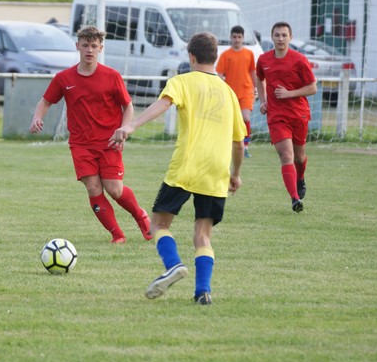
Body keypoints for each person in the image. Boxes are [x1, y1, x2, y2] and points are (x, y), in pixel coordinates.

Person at [111, 32, 245, 305]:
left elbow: (163, 104)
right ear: (215, 57)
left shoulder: (182, 81)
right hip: (216, 172)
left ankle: (173, 265)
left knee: (159, 223)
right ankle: (202, 292)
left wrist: (131, 125)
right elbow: (239, 143)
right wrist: (235, 174)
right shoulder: (229, 92)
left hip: (187, 166)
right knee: (203, 235)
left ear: (191, 56)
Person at [29, 26, 151, 244]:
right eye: (85, 45)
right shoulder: (63, 78)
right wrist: (37, 117)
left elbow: (128, 106)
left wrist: (123, 129)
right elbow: (45, 101)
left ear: (100, 48)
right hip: (81, 144)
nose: (89, 50)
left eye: (94, 46)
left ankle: (141, 217)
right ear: (77, 46)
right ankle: (117, 235)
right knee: (94, 188)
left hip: (109, 142)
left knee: (114, 189)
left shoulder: (111, 76)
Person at [255, 21, 317, 213]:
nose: (280, 38)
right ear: (272, 37)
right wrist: (263, 101)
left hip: (298, 114)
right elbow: (259, 78)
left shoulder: (299, 60)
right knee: (286, 155)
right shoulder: (263, 60)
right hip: (276, 116)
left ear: (290, 37)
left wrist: (290, 93)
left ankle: (300, 178)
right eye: (277, 35)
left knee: (299, 157)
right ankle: (294, 198)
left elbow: (312, 88)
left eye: (284, 35)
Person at [216, 25, 257, 158]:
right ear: (230, 37)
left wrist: (257, 87)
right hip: (230, 93)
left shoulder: (249, 54)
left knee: (245, 118)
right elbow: (220, 74)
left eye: (239, 37)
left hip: (246, 91)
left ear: (243, 38)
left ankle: (245, 146)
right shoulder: (225, 55)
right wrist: (221, 90)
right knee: (230, 120)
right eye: (234, 37)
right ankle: (230, 145)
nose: (237, 39)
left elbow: (253, 72)